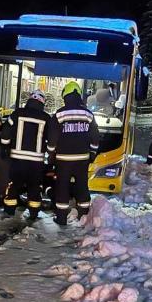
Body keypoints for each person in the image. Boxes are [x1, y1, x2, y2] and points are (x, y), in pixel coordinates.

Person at [47, 82, 100, 226]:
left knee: (62, 187)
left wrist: (51, 157)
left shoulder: (59, 114)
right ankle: (83, 216)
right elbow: (95, 137)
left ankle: (61, 218)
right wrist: (93, 153)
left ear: (65, 96)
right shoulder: (88, 114)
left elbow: (52, 139)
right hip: (82, 159)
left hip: (63, 160)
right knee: (82, 186)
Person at [0, 90, 51, 220]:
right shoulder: (46, 118)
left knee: (14, 185)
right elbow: (51, 137)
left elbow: (6, 130)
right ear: (42, 102)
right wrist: (49, 151)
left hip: (17, 159)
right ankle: (33, 213)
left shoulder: (17, 113)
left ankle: (9, 211)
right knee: (34, 187)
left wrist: (5, 146)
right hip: (36, 161)